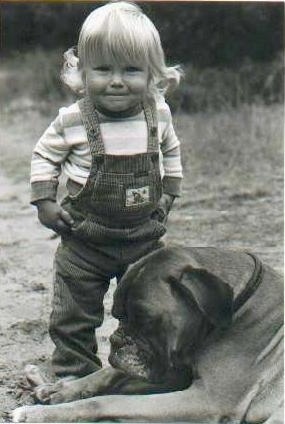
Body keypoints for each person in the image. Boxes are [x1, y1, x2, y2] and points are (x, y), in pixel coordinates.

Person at [30, 1, 183, 379]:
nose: (116, 80)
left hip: (144, 237)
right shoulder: (73, 119)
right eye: (102, 69)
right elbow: (44, 155)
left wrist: (169, 193)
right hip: (85, 240)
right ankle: (74, 369)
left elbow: (171, 150)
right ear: (82, 72)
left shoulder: (157, 112)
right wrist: (45, 201)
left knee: (149, 306)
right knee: (73, 313)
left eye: (131, 70)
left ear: (152, 73)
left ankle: (140, 368)